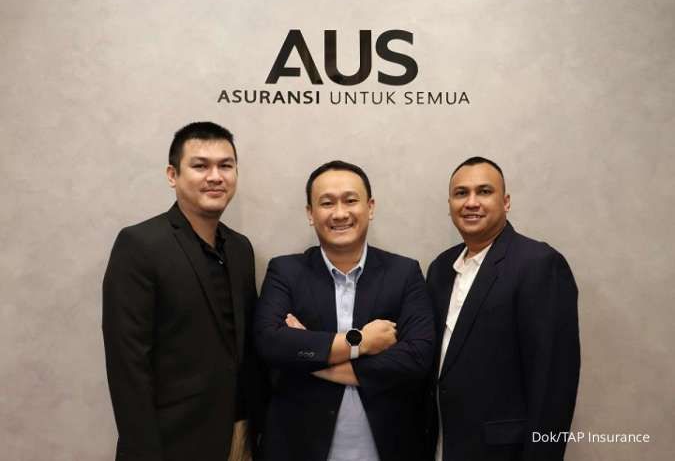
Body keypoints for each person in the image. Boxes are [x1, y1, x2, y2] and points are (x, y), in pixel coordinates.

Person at [102, 121, 264, 461]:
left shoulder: (240, 248)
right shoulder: (140, 244)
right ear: (172, 175)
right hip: (172, 441)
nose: (215, 176)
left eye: (226, 166)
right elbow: (128, 366)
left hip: (240, 436)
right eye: (200, 166)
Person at [254, 160, 435, 461]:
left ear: (370, 207)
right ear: (310, 213)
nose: (340, 213)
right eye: (327, 203)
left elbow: (416, 358)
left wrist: (309, 359)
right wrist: (360, 341)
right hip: (298, 447)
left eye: (350, 200)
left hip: (389, 447)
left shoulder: (404, 273)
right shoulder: (285, 271)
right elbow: (270, 343)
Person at [427, 156, 580, 461]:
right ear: (449, 204)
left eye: (484, 192)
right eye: (461, 193)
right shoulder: (441, 268)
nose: (471, 202)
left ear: (506, 202)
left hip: (503, 452)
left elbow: (553, 386)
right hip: (443, 445)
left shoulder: (539, 264)